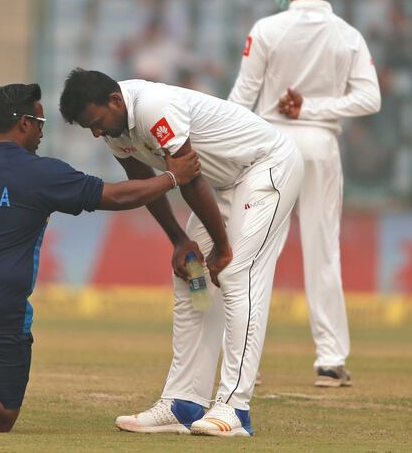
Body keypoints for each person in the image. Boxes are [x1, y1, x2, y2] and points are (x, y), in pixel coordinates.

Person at [0, 83, 202, 433]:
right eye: (40, 123)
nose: (41, 132)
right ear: (23, 123)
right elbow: (115, 197)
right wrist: (173, 177)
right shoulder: (38, 173)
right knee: (1, 414)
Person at [59, 68, 304, 437]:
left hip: (267, 165)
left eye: (96, 123)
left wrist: (222, 249)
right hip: (223, 185)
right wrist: (179, 241)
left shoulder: (155, 107)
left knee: (236, 273)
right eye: (88, 129)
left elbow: (186, 174)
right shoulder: (114, 129)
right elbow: (144, 184)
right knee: (193, 276)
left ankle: (235, 408)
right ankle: (184, 402)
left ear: (114, 101)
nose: (96, 132)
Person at [228, 0, 381, 387]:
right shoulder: (348, 34)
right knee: (324, 250)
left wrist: (226, 151)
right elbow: (369, 98)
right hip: (319, 145)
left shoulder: (267, 29)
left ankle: (245, 366)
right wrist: (314, 108)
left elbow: (242, 99)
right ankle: (330, 361)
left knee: (256, 255)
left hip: (270, 144)